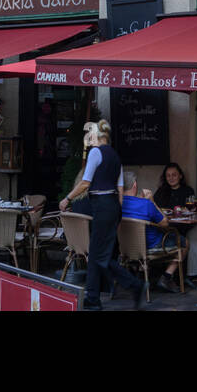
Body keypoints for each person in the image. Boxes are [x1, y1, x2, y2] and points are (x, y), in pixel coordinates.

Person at [58, 119, 145, 310]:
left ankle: (132, 285)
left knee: (98, 256)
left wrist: (67, 199)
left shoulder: (95, 153)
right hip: (112, 206)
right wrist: (118, 213)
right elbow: (120, 188)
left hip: (102, 204)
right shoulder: (115, 156)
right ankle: (93, 299)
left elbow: (85, 182)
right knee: (99, 254)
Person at [121, 170, 183, 292]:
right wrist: (152, 201)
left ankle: (140, 275)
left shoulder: (116, 204)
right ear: (135, 185)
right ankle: (166, 277)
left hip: (126, 248)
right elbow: (165, 223)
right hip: (150, 247)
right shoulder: (146, 204)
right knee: (183, 242)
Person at [153, 162, 197, 283]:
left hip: (185, 227)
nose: (171, 178)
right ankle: (172, 275)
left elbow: (194, 209)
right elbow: (155, 209)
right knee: (180, 241)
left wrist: (186, 210)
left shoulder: (188, 191)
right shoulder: (161, 191)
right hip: (167, 229)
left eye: (174, 175)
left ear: (180, 176)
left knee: (187, 238)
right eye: (168, 176)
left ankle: (178, 275)